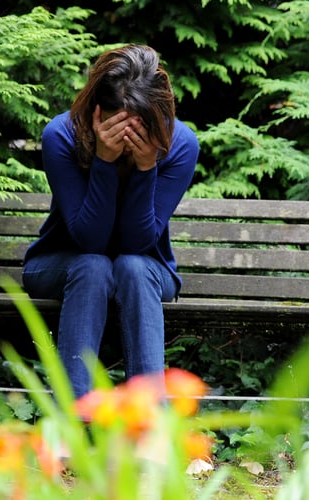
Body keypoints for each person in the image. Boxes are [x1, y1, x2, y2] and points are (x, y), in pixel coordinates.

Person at [22, 44, 199, 398]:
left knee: (131, 266)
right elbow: (91, 241)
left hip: (149, 268)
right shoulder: (61, 135)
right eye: (120, 124)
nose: (129, 135)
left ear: (159, 113)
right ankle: (74, 425)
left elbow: (138, 243)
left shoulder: (179, 144)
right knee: (93, 266)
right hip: (60, 263)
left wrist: (147, 166)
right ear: (97, 111)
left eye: (141, 125)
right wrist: (103, 161)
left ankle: (149, 428)